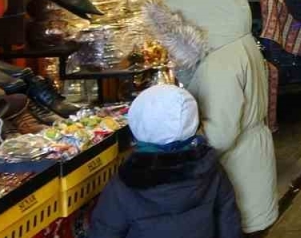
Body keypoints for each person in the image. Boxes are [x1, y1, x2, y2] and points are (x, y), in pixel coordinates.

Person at [143, 0, 278, 235]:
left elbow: (220, 133)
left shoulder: (220, 63)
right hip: (253, 160)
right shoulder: (238, 42)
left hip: (238, 173)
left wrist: (183, 152)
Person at [90, 85, 242, 238]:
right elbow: (229, 223)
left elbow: (104, 231)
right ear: (193, 123)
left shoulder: (124, 184)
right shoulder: (211, 168)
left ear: (137, 123)